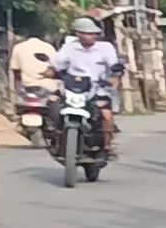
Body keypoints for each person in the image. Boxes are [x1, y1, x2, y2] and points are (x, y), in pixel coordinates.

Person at [50, 17, 122, 151]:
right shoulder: (70, 48)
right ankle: (57, 139)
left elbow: (114, 66)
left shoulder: (105, 48)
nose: (91, 36)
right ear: (78, 34)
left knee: (106, 115)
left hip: (98, 88)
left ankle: (107, 145)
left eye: (93, 33)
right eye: (87, 33)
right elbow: (56, 64)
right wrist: (47, 72)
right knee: (53, 107)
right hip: (74, 88)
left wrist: (115, 76)